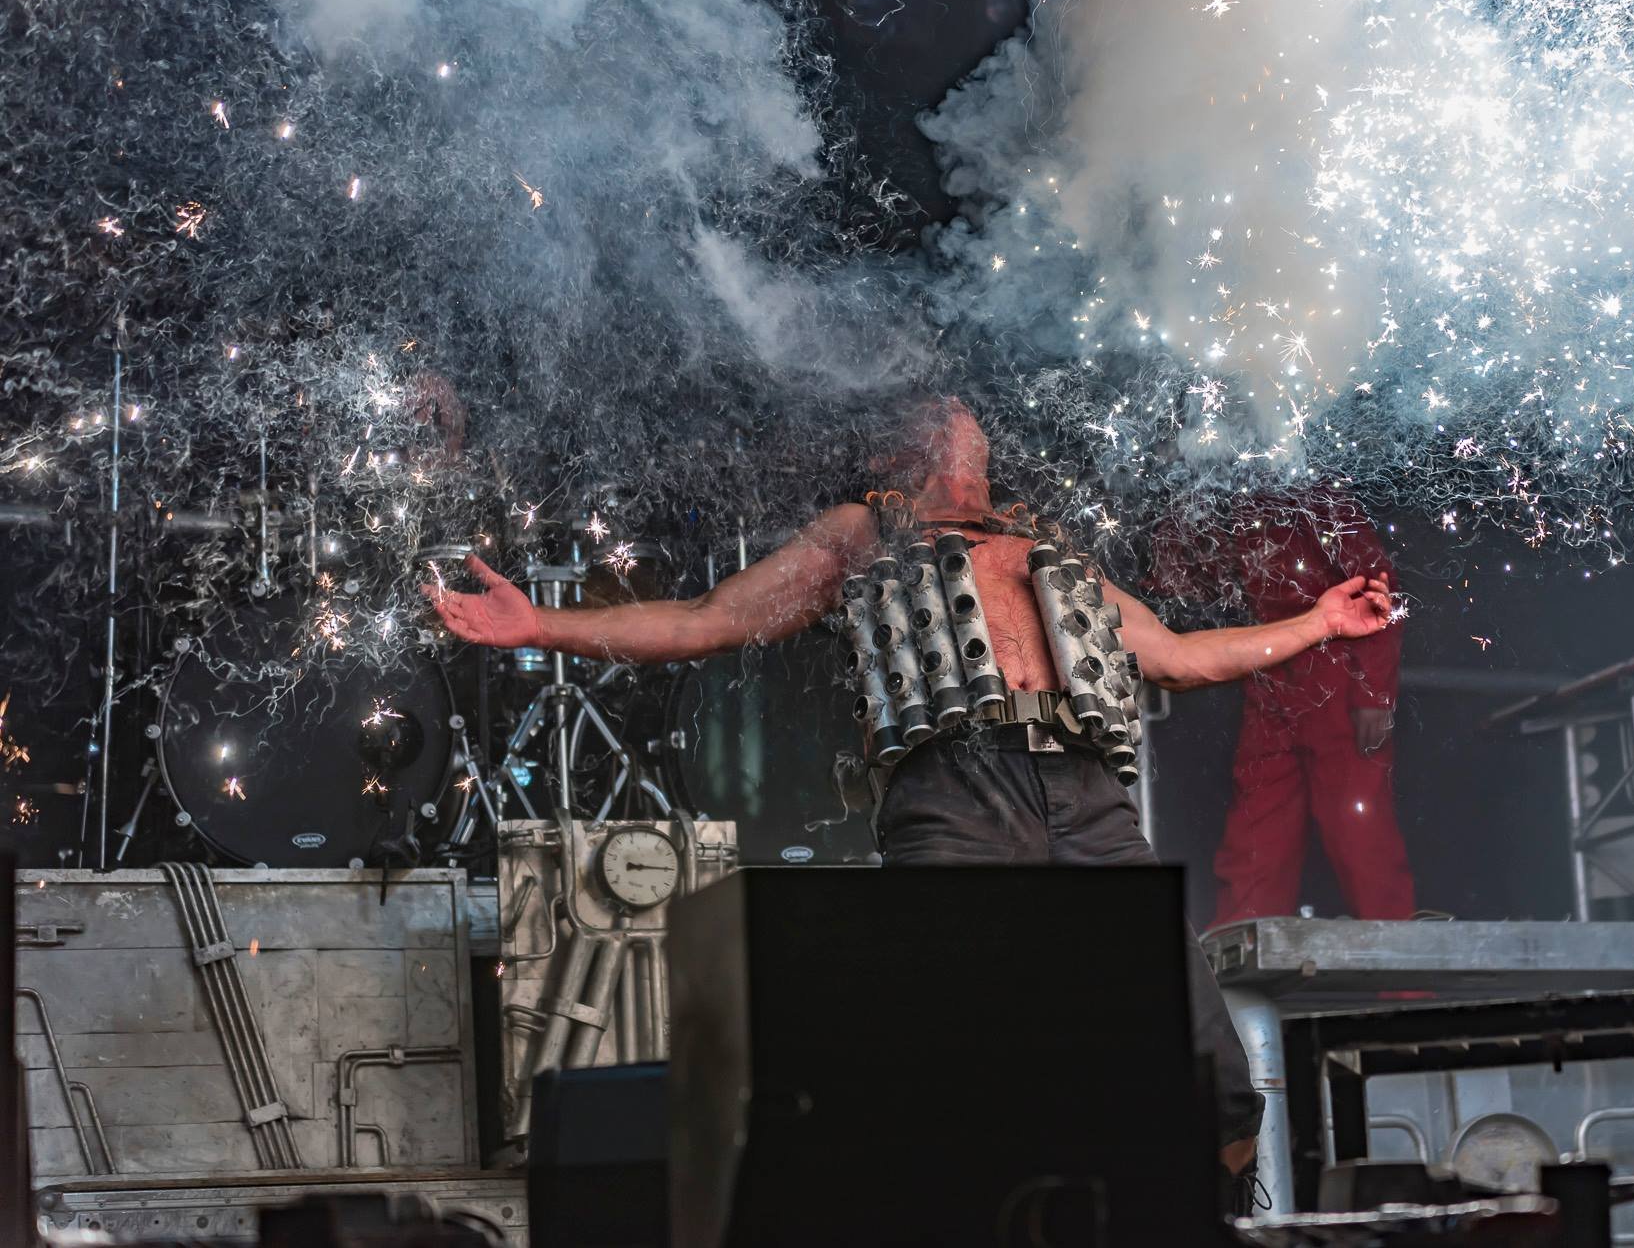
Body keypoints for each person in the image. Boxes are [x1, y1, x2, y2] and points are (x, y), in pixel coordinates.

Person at [427, 397, 1394, 1177]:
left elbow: (1181, 656)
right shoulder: (864, 534)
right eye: (932, 418)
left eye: (963, 416)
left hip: (1086, 792)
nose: (952, 420)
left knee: (1200, 1052)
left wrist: (1317, 623)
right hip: (954, 790)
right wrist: (540, 628)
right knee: (944, 1041)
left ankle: (1203, 1212)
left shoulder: (1045, 549)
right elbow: (703, 620)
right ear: (899, 452)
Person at [1209, 497, 1411, 927]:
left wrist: (1373, 696)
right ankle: (1237, 973)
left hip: (1335, 682)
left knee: (1359, 838)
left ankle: (1404, 984)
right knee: (1256, 836)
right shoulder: (1227, 502)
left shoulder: (1319, 499)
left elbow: (1380, 592)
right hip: (1268, 681)